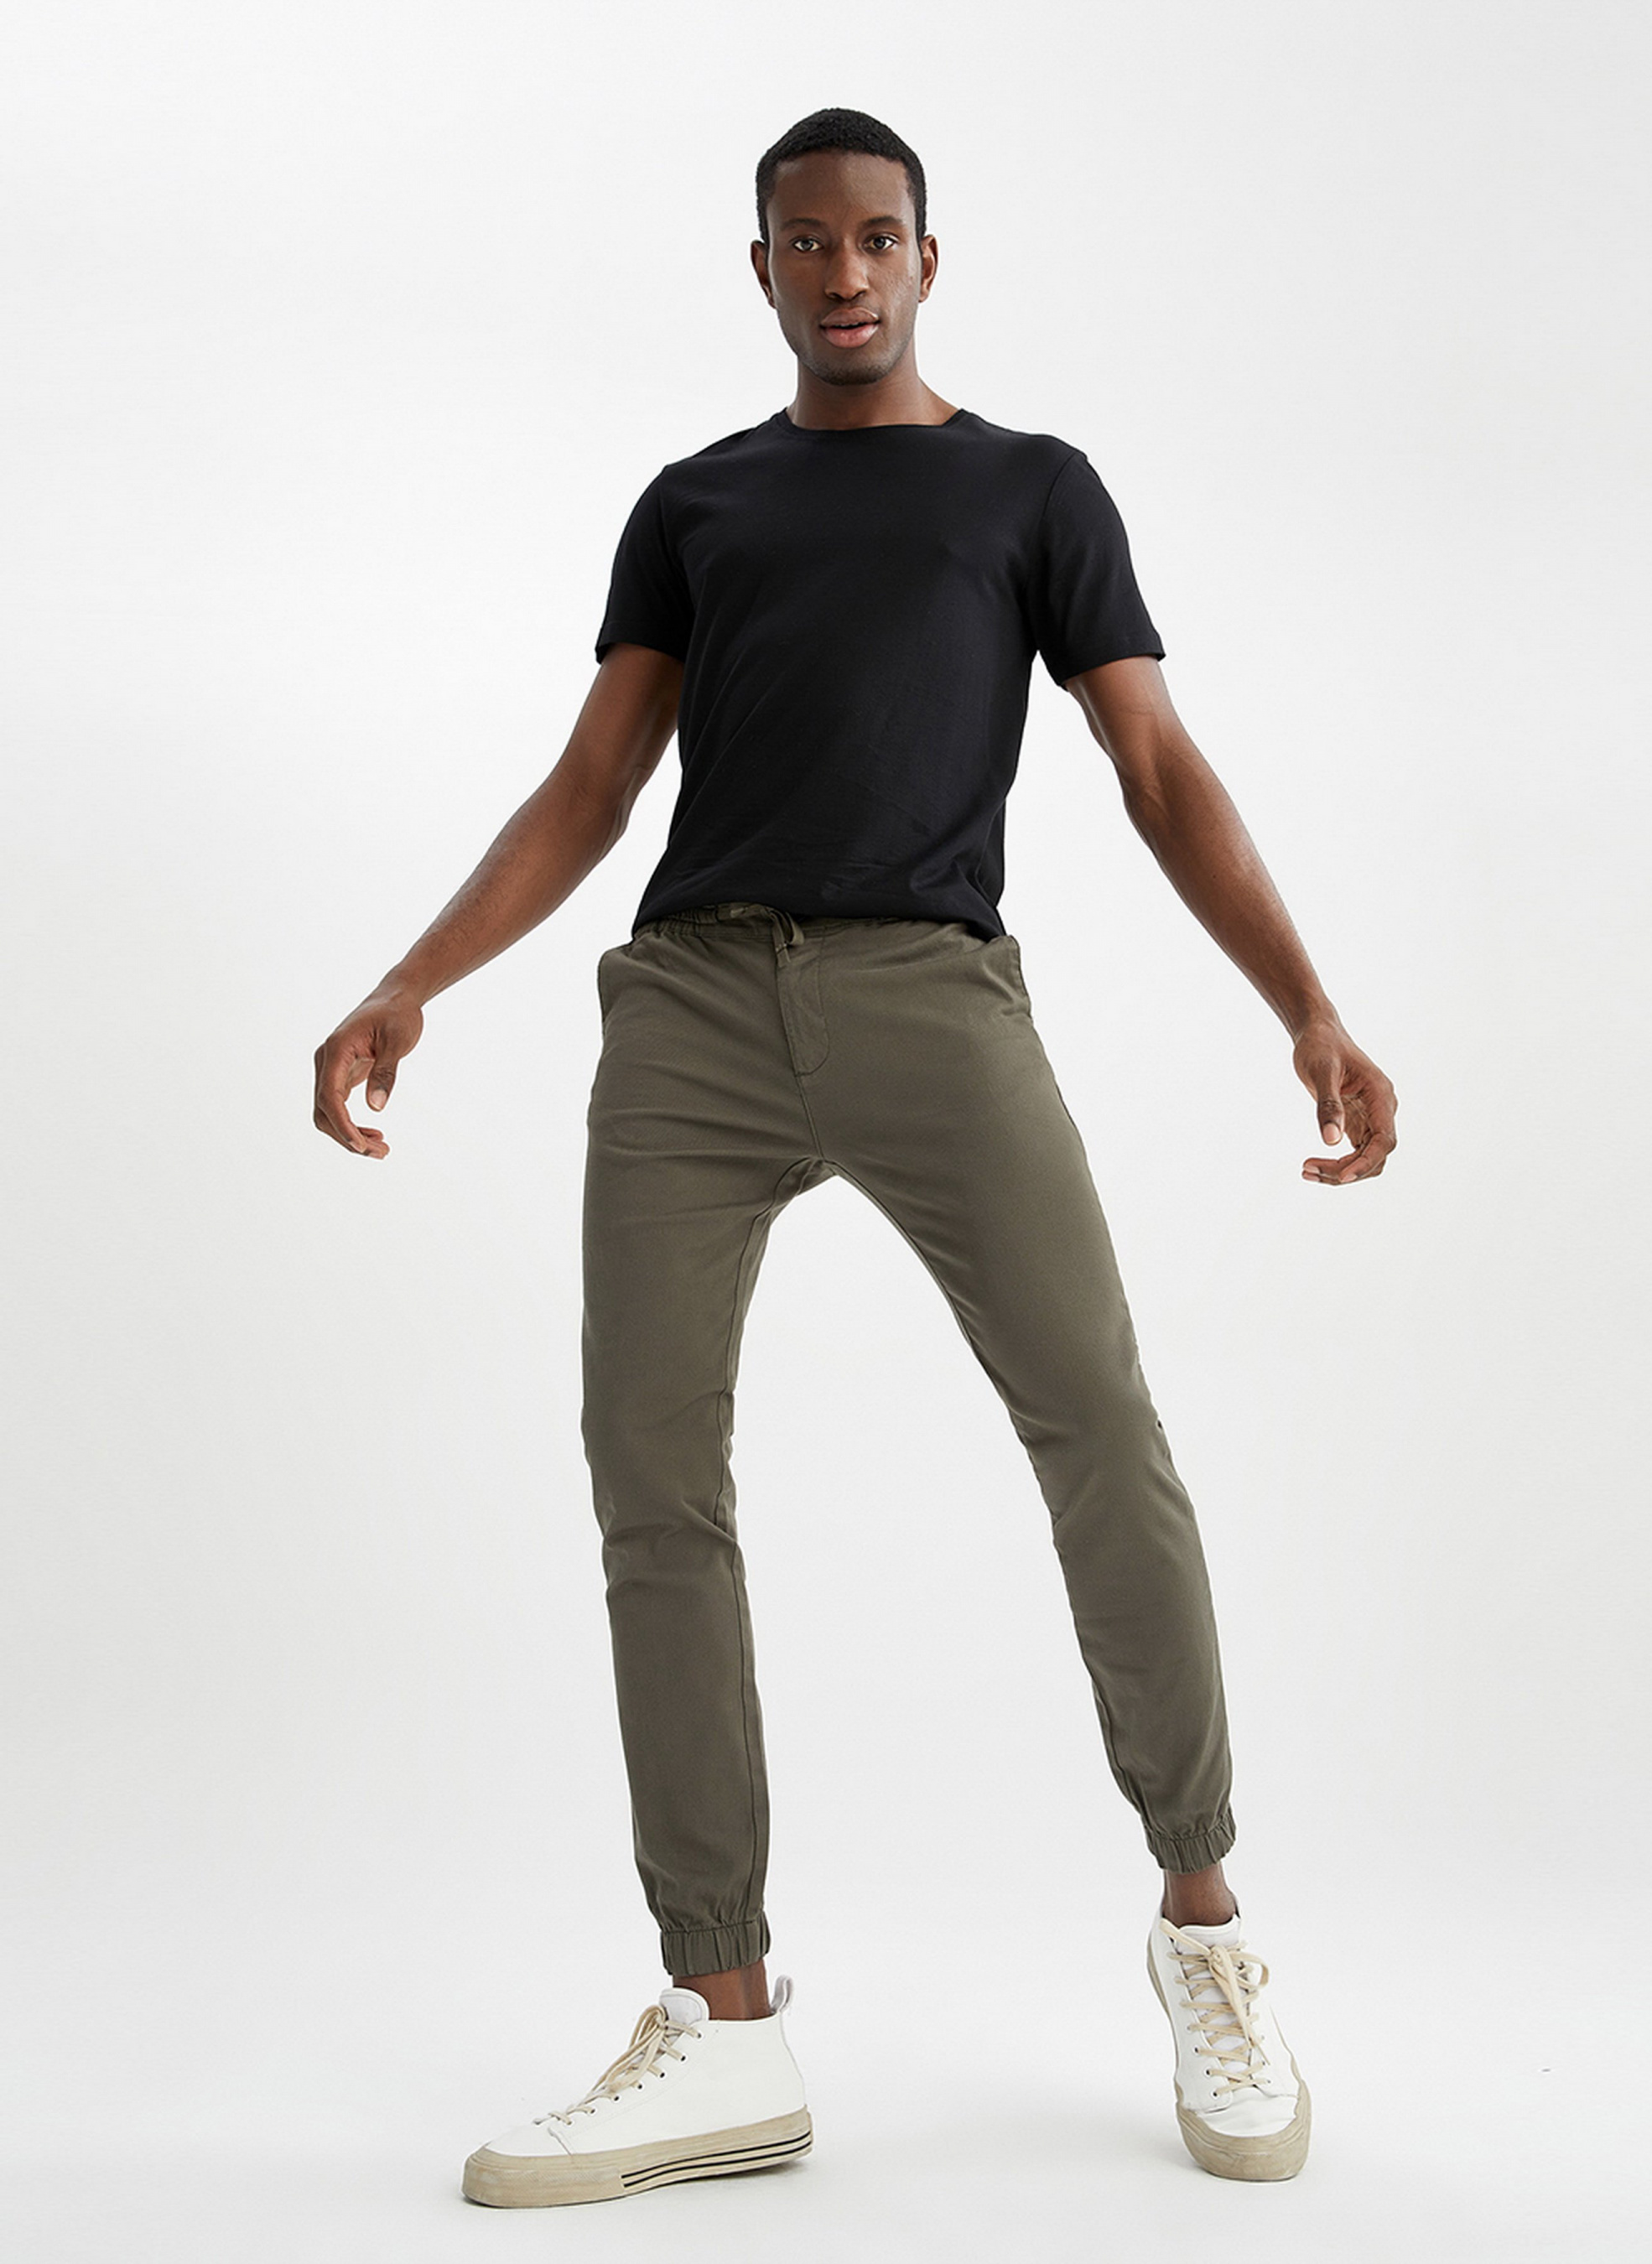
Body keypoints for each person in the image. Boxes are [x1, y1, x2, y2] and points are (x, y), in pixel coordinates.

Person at [313, 106, 1398, 2209]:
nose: (841, 272)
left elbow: (1151, 759)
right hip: (692, 1015)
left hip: (930, 996)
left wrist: (1305, 1006)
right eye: (802, 243)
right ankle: (722, 2018)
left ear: (925, 258)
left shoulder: (1031, 489)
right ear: (761, 268)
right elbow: (593, 781)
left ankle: (1204, 1928)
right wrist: (411, 978)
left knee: (1098, 1429)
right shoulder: (694, 504)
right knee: (651, 1478)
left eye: (874, 238)